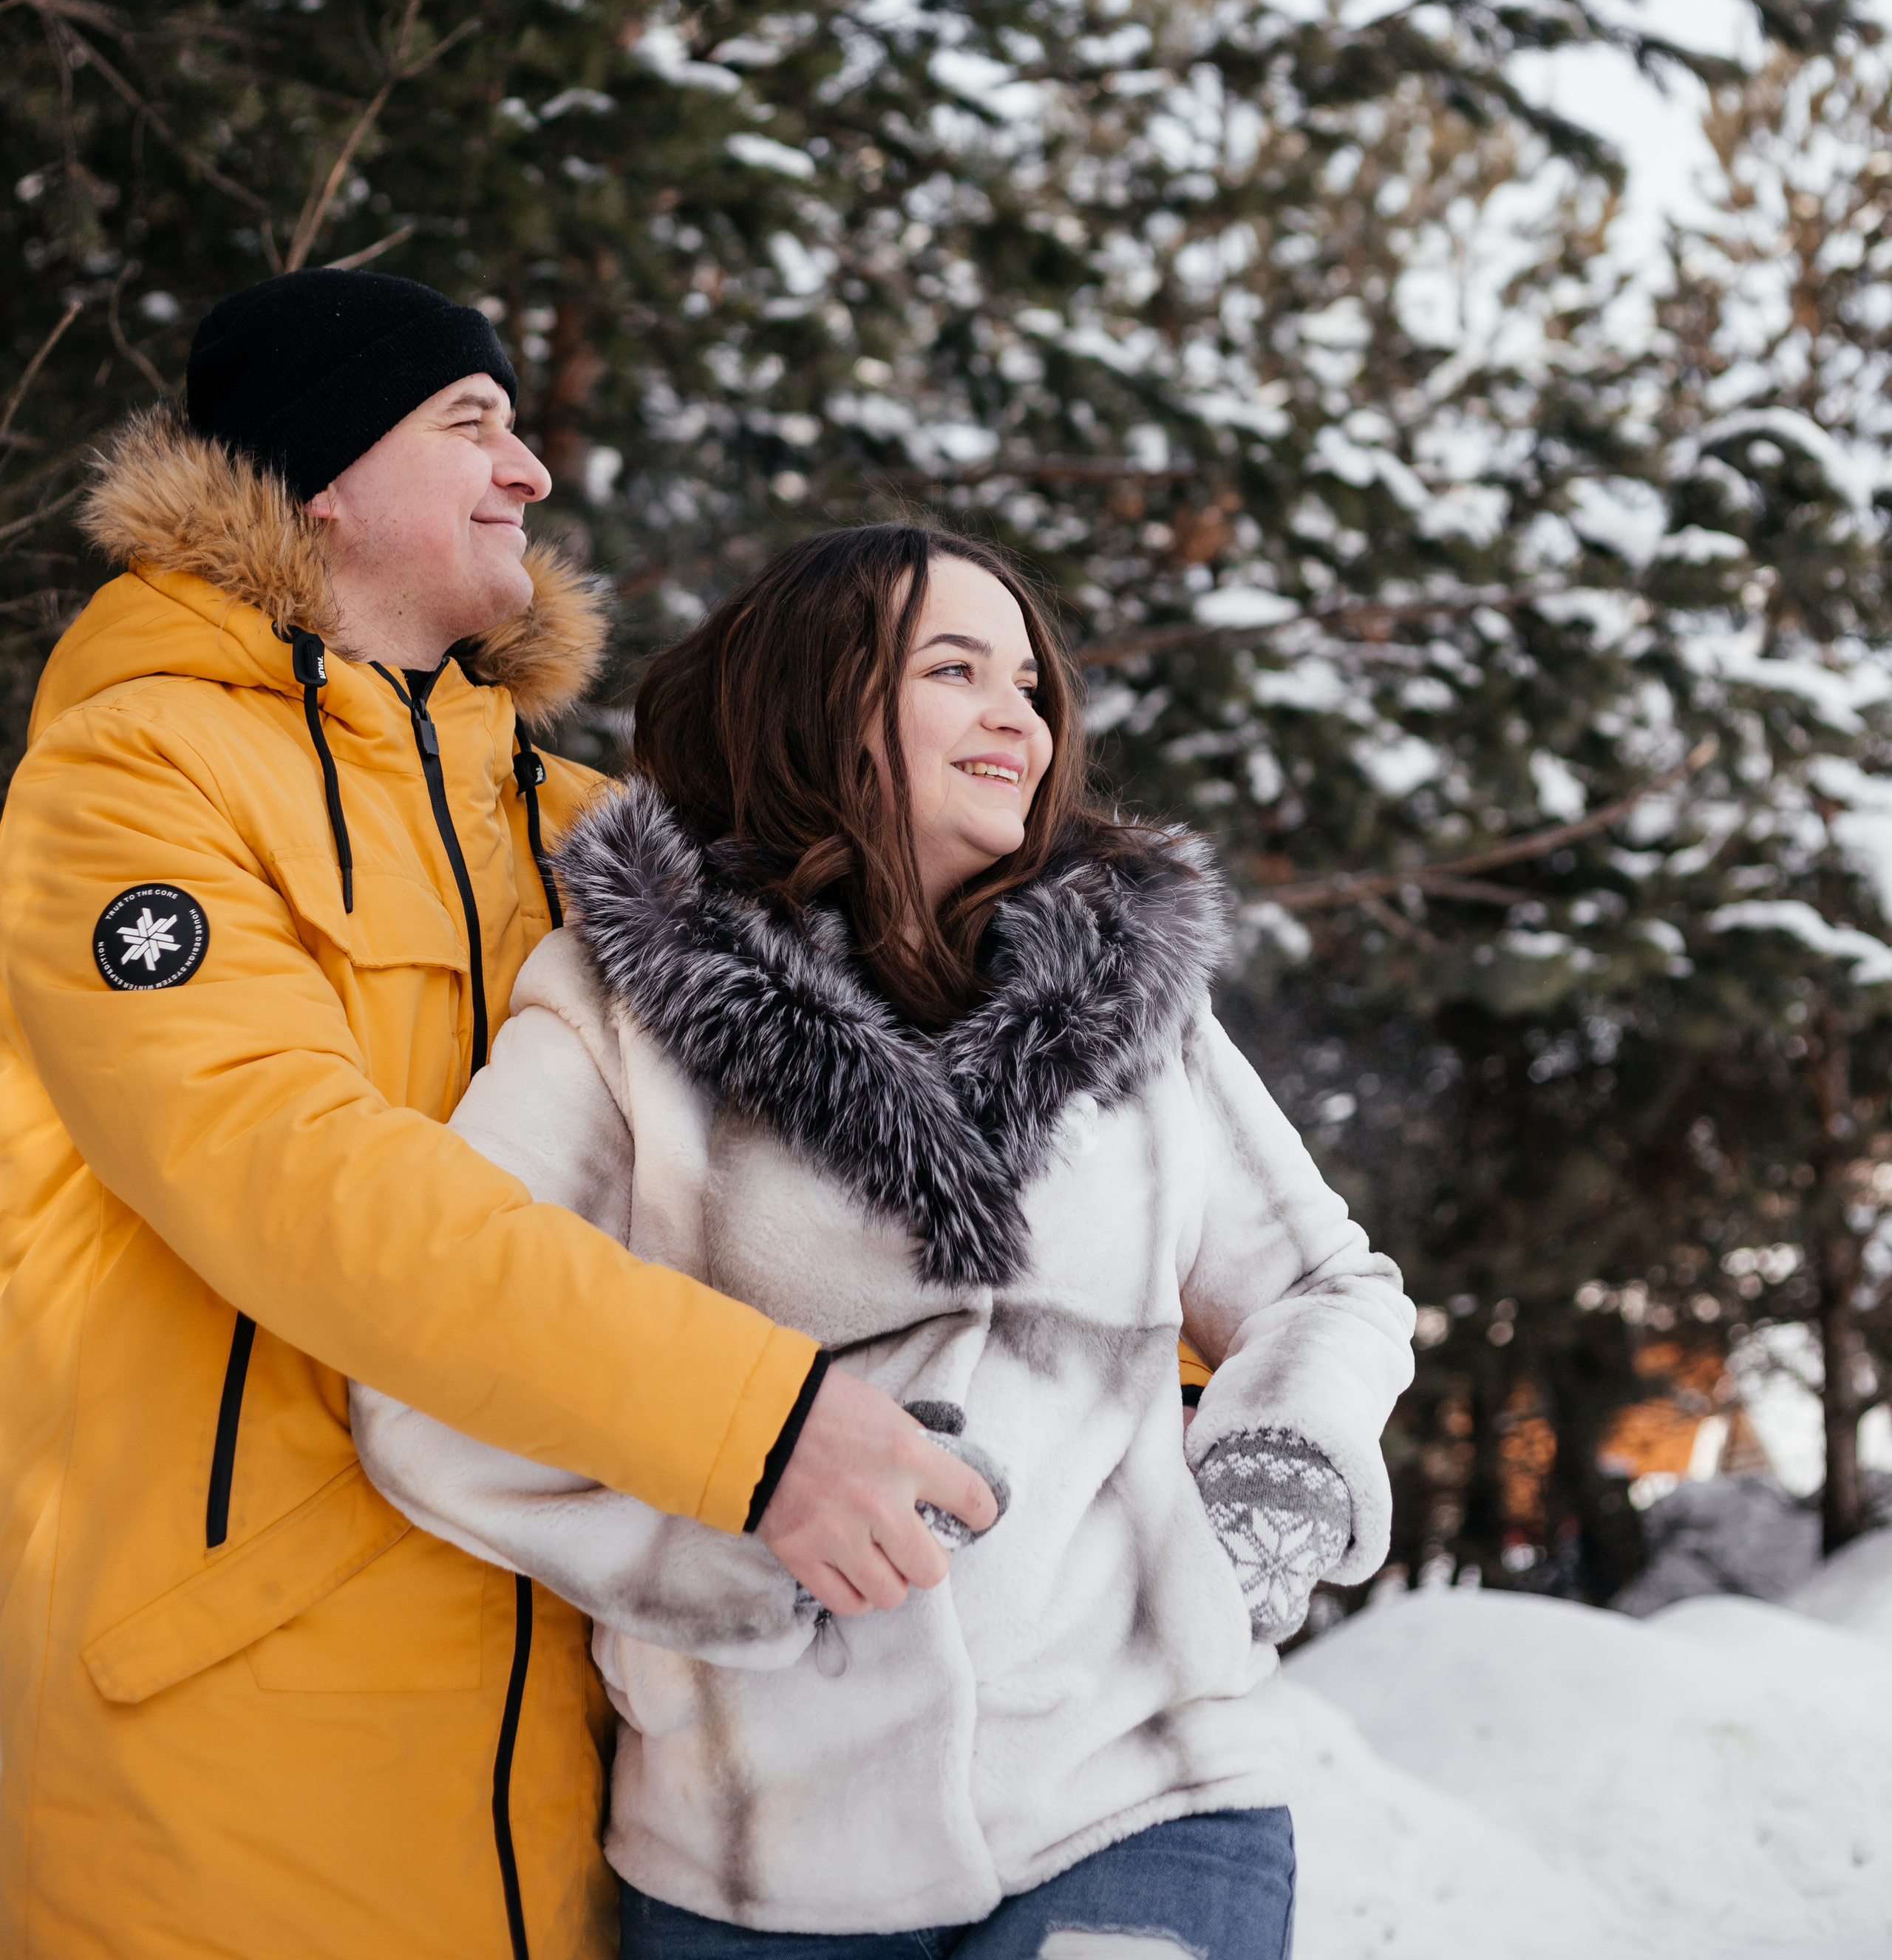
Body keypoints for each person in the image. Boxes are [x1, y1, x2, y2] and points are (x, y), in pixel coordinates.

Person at [0, 273, 992, 1960]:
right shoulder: (133, 781)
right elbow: (293, 1177)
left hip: (574, 1758)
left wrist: (1141, 1352)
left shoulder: (579, 828)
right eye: (472, 423)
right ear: (321, 475)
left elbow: (851, 1113)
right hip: (228, 1751)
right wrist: (754, 1426)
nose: (530, 470)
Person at [352, 525, 1417, 1960]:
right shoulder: (618, 1018)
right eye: (953, 671)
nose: (1018, 718)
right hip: (755, 1855)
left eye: (1029, 684)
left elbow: (1322, 1289)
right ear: (816, 700)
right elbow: (434, 1376)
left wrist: (1273, 1479)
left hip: (1144, 1791)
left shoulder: (1130, 999)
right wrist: (749, 1548)